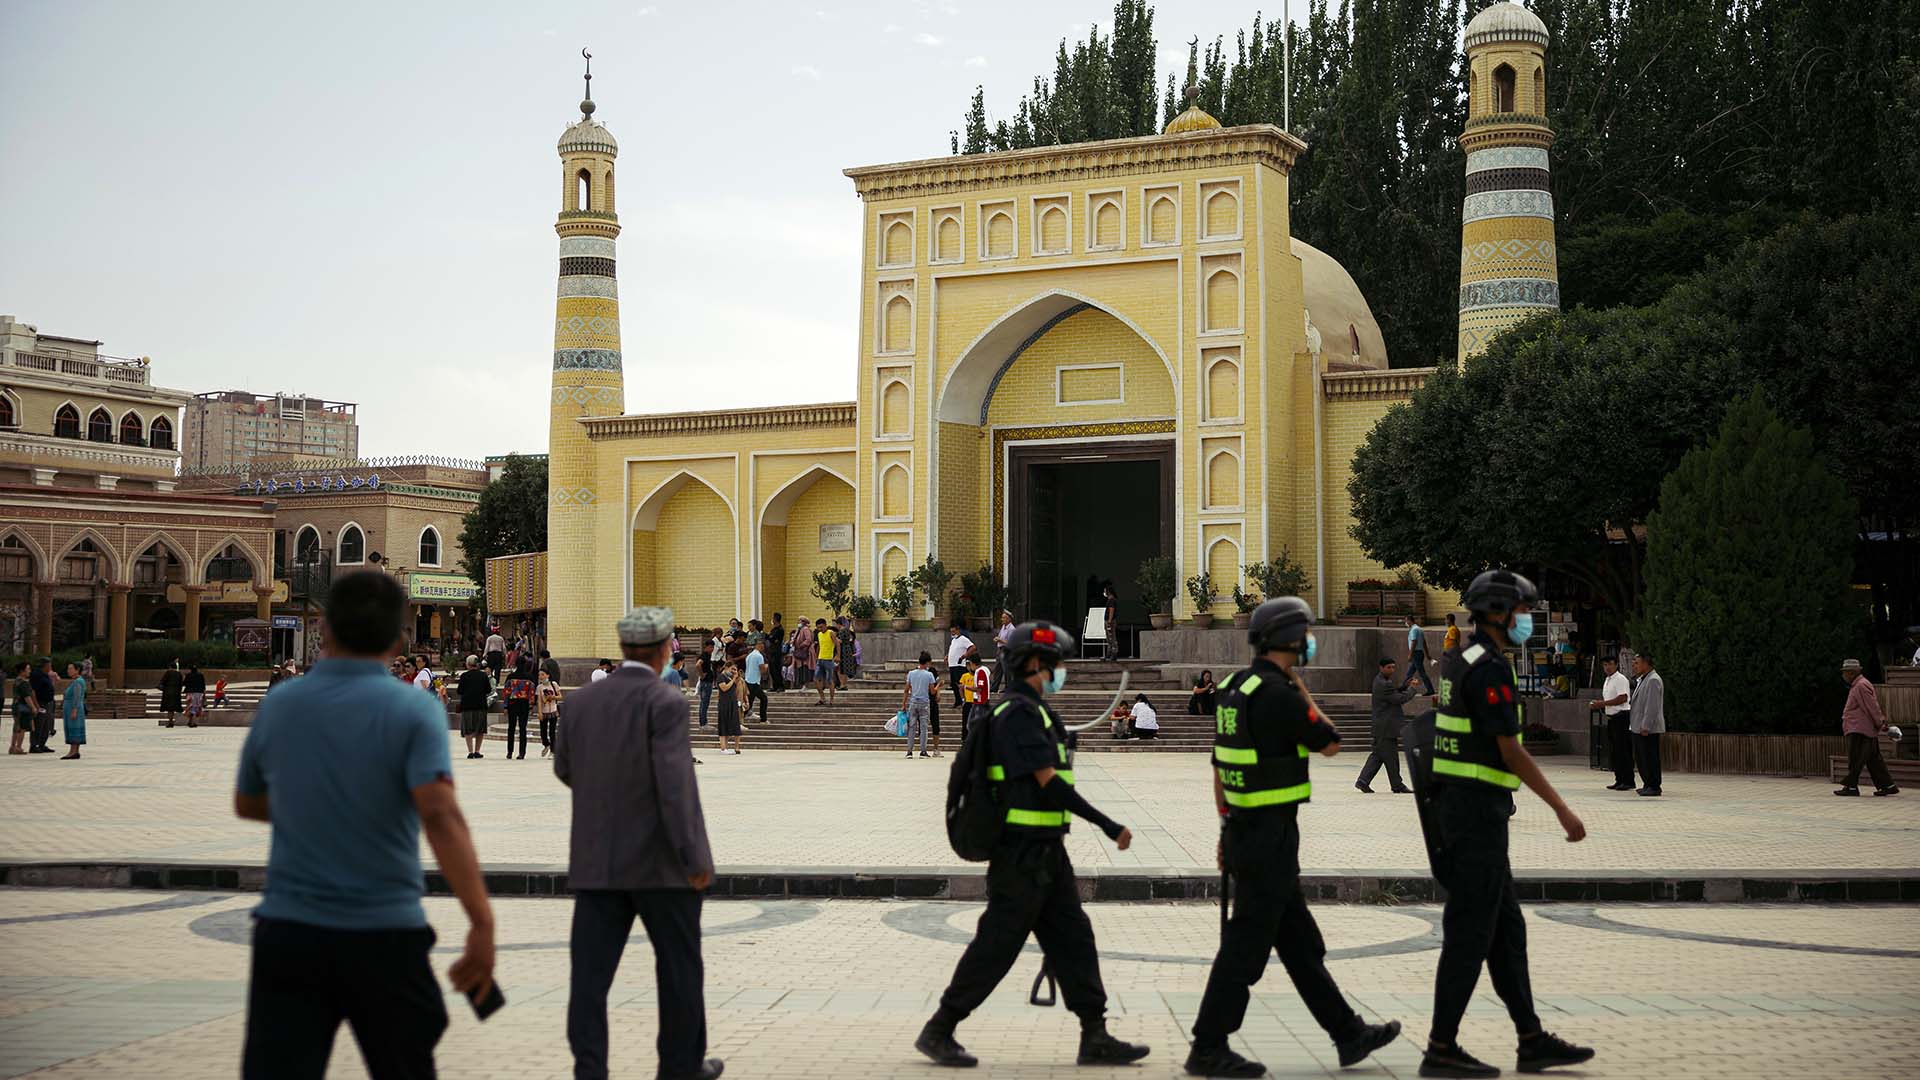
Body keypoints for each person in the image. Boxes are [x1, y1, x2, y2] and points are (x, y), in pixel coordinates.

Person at [234, 570, 494, 1079]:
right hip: (384, 933)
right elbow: (439, 814)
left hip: (290, 933)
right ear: (400, 638)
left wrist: (318, 806)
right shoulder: (412, 709)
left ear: (325, 631)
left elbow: (248, 802)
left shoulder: (282, 704)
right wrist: (481, 922)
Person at [915, 620, 1149, 1070]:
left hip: (1046, 853)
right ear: (1036, 664)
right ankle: (940, 1027)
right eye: (1056, 664)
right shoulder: (1018, 714)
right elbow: (1048, 785)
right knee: (997, 944)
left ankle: (1095, 1034)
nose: (1060, 671)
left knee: (1075, 940)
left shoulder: (1035, 713)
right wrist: (1107, 824)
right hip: (1020, 855)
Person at [1185, 597, 1401, 1078]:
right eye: (1304, 633)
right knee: (1244, 946)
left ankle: (1349, 1035)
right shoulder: (1279, 693)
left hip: (1248, 832)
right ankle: (1207, 1045)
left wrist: (1225, 828)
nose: (1308, 640)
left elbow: (1220, 764)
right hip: (1269, 840)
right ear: (1288, 638)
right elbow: (1330, 742)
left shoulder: (1236, 687)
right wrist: (1301, 686)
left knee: (1300, 945)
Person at [1420, 569, 1592, 1078]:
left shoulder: (1460, 658)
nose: (1525, 619)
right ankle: (1440, 1047)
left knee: (1505, 931)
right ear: (1497, 614)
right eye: (1520, 611)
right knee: (1470, 934)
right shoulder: (1490, 667)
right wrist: (1562, 807)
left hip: (1467, 811)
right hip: (1474, 817)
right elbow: (1509, 748)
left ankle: (1531, 1039)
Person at [555, 605, 721, 1080]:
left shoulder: (583, 701)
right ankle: (680, 1066)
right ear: (666, 649)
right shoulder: (664, 701)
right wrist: (693, 856)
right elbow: (674, 785)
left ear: (623, 648)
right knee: (679, 970)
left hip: (597, 863)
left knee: (589, 979)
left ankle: (590, 1069)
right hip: (662, 865)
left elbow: (565, 769)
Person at [1836, 658, 1899, 796]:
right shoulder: (1859, 685)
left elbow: (1872, 707)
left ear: (1851, 673)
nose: (1843, 676)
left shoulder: (1861, 686)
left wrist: (1880, 723)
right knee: (1873, 760)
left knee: (1856, 758)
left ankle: (1851, 787)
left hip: (1860, 729)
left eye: (1845, 673)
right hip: (1863, 729)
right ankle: (1888, 786)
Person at [1357, 656, 1417, 794]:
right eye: (1389, 667)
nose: (1392, 670)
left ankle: (1363, 781)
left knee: (1378, 755)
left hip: (1381, 726)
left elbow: (1393, 693)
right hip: (1386, 727)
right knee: (1391, 757)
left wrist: (1404, 686)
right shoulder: (1384, 683)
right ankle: (1397, 785)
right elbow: (1398, 699)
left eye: (1393, 667)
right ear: (1381, 667)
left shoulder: (1381, 681)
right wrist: (1412, 689)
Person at [1590, 656, 1634, 791]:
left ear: (1616, 665)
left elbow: (1622, 698)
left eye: (1610, 664)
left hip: (1621, 717)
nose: (1607, 667)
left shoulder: (1620, 679)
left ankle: (1628, 780)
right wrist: (1600, 703)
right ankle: (1619, 778)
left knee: (1623, 750)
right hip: (1611, 718)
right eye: (1604, 665)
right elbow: (1610, 698)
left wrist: (1602, 704)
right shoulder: (1608, 680)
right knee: (1615, 750)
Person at [1628, 652, 1664, 797]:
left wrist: (1646, 725)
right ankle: (1647, 784)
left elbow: (1652, 706)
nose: (1634, 666)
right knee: (1642, 757)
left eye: (1637, 663)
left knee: (1650, 756)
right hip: (1638, 725)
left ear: (1646, 663)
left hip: (1648, 728)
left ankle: (1654, 785)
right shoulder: (1642, 679)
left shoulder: (1653, 680)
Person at [455, 654, 492, 760]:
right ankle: (477, 751)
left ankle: (470, 751)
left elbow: (459, 691)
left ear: (468, 664)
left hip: (467, 705)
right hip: (481, 705)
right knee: (480, 729)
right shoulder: (483, 675)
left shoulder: (464, 676)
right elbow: (488, 690)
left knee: (468, 729)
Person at [503, 652, 537, 761]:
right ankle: (522, 753)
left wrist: (505, 706)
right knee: (523, 728)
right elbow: (532, 693)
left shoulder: (510, 677)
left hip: (513, 704)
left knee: (511, 728)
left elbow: (506, 693)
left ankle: (509, 752)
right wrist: (531, 705)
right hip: (524, 704)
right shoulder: (530, 677)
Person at [902, 652, 937, 759]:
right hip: (924, 703)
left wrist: (903, 703)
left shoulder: (911, 673)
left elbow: (906, 689)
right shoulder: (929, 675)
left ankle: (909, 751)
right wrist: (939, 686)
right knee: (923, 727)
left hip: (913, 702)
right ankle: (923, 751)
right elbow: (932, 692)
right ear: (927, 662)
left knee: (912, 727)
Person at [714, 659, 744, 755]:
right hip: (724, 703)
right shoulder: (721, 677)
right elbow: (724, 688)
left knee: (734, 724)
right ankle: (723, 748)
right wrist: (734, 679)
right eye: (732, 669)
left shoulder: (731, 678)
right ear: (726, 667)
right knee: (723, 724)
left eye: (734, 669)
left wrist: (736, 677)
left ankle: (732, 747)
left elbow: (736, 688)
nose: (733, 671)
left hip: (732, 703)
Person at [58, 662, 87, 759]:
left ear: (77, 670)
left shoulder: (78, 682)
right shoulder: (76, 681)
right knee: (72, 727)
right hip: (71, 708)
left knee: (74, 728)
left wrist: (74, 710)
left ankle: (73, 751)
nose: (68, 671)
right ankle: (74, 751)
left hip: (74, 708)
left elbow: (77, 697)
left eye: (71, 669)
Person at [29, 657, 56, 753]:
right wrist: (36, 705)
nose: (50, 667)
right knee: (38, 724)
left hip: (48, 702)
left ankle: (42, 744)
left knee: (46, 725)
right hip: (40, 703)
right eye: (49, 665)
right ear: (44, 665)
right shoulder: (36, 675)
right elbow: (33, 691)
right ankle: (34, 745)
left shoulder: (45, 674)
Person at [1404, 615, 1436, 694]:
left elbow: (1414, 642)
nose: (1406, 623)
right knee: (1409, 673)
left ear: (1409, 621)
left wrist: (1410, 654)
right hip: (1420, 653)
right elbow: (1424, 642)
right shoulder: (1419, 629)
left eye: (1406, 621)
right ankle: (1403, 688)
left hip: (1416, 653)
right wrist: (1427, 654)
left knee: (1422, 673)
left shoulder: (1414, 630)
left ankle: (1430, 690)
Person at [11, 660, 37, 755]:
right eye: (28, 669)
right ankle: (18, 747)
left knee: (16, 727)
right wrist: (33, 707)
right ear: (22, 671)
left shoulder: (16, 681)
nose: (29, 671)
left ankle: (12, 746)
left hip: (15, 706)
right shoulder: (24, 683)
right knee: (22, 728)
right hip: (23, 708)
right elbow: (27, 697)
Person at [537, 669, 563, 759]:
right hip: (544, 712)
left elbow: (560, 696)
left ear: (548, 675)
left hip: (553, 711)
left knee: (552, 732)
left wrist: (553, 697)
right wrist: (539, 712)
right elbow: (539, 701)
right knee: (543, 733)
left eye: (543, 674)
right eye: (540, 675)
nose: (541, 677)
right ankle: (546, 744)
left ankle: (553, 751)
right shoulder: (539, 687)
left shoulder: (554, 684)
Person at [742, 639, 769, 724]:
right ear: (760, 645)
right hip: (754, 682)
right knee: (764, 699)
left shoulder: (749, 655)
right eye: (763, 645)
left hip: (748, 679)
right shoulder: (759, 656)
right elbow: (762, 670)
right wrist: (766, 667)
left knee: (749, 701)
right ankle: (763, 719)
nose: (763, 648)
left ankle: (741, 718)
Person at [946, 626, 973, 708]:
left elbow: (972, 647)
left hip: (959, 665)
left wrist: (965, 655)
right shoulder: (953, 640)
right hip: (952, 665)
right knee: (954, 685)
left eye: (954, 631)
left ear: (958, 630)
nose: (952, 633)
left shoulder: (963, 639)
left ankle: (965, 700)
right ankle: (958, 701)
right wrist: (947, 656)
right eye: (951, 631)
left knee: (960, 684)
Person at [813, 618, 837, 705]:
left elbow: (837, 644)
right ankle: (822, 698)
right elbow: (819, 645)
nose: (820, 629)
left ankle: (832, 699)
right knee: (816, 679)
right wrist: (816, 656)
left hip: (829, 659)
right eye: (818, 628)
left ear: (825, 625)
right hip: (820, 659)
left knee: (829, 680)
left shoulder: (831, 633)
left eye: (821, 627)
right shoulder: (819, 634)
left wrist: (837, 655)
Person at [158, 661, 185, 728]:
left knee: (169, 708)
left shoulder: (168, 673)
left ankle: (170, 721)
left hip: (168, 692)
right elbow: (181, 684)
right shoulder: (179, 674)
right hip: (176, 693)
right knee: (173, 708)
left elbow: (163, 681)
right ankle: (171, 721)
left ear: (170, 667)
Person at [789, 619, 813, 692]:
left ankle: (805, 685)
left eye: (800, 621)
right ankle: (802, 685)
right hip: (799, 652)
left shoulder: (805, 629)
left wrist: (801, 645)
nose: (798, 622)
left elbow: (808, 640)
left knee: (804, 668)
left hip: (804, 652)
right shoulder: (799, 629)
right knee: (800, 669)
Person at [768, 612, 787, 692]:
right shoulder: (773, 629)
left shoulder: (780, 630)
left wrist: (770, 637)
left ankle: (780, 685)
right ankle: (775, 686)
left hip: (776, 651)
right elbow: (771, 637)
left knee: (776, 669)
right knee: (772, 669)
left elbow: (773, 638)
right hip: (771, 650)